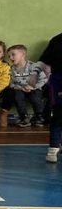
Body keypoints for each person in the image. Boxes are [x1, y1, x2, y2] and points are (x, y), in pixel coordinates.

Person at [8, 44, 47, 128]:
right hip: (20, 89)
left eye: (13, 54)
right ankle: (24, 117)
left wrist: (33, 87)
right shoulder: (11, 69)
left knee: (35, 97)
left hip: (34, 88)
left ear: (23, 54)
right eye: (9, 56)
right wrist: (20, 87)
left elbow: (43, 79)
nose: (11, 58)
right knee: (18, 97)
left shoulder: (34, 66)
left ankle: (39, 116)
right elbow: (11, 83)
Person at [40, 32, 62, 163]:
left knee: (58, 117)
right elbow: (44, 62)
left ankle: (54, 148)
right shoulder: (57, 40)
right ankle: (53, 149)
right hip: (58, 82)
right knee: (58, 116)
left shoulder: (56, 40)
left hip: (57, 81)